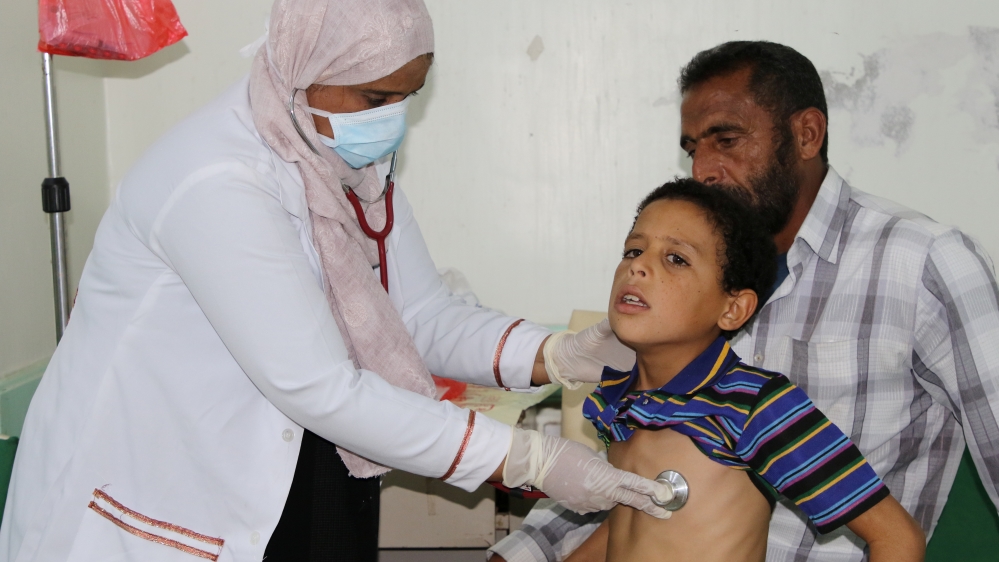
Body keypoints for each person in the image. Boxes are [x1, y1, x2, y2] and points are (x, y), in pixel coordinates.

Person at [0, 1, 671, 561]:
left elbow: (417, 316)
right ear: (304, 69)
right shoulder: (216, 181)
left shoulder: (346, 167)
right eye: (376, 97)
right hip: (161, 493)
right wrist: (529, 461)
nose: (393, 119)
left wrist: (554, 353)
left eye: (408, 95)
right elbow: (318, 386)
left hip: (306, 468)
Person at [489, 40, 999, 562]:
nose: (704, 169)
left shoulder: (925, 262)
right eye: (692, 150)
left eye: (726, 140)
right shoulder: (679, 298)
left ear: (807, 134)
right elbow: (623, 491)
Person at [569, 178, 924, 562]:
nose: (638, 266)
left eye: (676, 258)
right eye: (633, 250)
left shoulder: (755, 403)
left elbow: (897, 538)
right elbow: (634, 524)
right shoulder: (621, 396)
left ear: (733, 309)